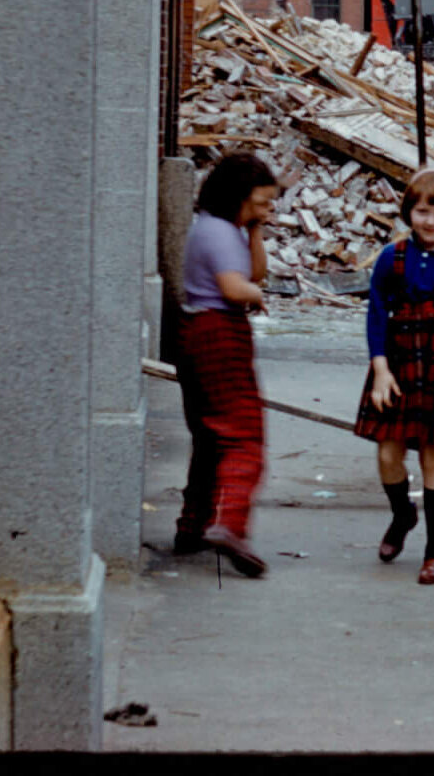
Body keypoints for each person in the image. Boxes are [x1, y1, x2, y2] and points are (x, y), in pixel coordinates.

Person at [353, 168, 434, 585]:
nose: (431, 221)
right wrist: (379, 370)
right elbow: (376, 315)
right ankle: (401, 514)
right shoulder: (390, 257)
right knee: (388, 453)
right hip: (396, 364)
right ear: (409, 213)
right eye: (422, 211)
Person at [174, 151, 280, 578]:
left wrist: (254, 229)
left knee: (210, 437)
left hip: (197, 334)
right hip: (220, 333)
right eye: (260, 202)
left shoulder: (218, 227)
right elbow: (238, 288)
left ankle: (192, 524)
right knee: (244, 438)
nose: (267, 210)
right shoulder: (219, 233)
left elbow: (256, 270)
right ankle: (230, 525)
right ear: (237, 195)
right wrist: (257, 298)